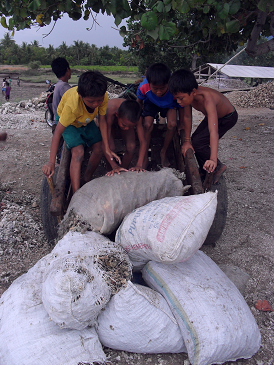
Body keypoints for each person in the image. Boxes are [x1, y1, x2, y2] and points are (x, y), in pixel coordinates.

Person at [42, 71, 112, 194]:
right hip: (69, 123)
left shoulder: (103, 96)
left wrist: (106, 147)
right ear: (80, 95)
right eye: (91, 102)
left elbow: (102, 120)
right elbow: (57, 133)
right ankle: (76, 193)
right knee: (78, 152)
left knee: (99, 148)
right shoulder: (72, 106)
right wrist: (51, 162)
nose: (96, 104)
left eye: (99, 100)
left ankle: (86, 178)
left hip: (86, 120)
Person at [168, 68, 238, 183]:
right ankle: (204, 168)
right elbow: (187, 117)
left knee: (199, 143)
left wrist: (213, 159)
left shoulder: (208, 100)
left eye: (181, 98)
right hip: (214, 115)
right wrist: (186, 141)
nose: (179, 102)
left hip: (228, 117)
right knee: (195, 140)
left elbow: (213, 131)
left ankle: (218, 166)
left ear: (194, 92)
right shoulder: (187, 97)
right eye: (177, 99)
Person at [136, 63, 179, 167]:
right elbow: (138, 104)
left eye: (163, 88)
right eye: (155, 88)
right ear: (149, 83)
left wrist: (181, 123)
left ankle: (163, 152)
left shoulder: (175, 87)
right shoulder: (143, 87)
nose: (159, 92)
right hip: (150, 102)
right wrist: (137, 121)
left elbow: (181, 105)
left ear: (168, 83)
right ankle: (145, 154)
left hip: (169, 103)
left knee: (172, 124)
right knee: (147, 125)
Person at [103, 98, 146, 176]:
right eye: (124, 125)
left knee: (131, 146)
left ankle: (123, 171)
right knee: (110, 147)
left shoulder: (136, 116)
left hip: (124, 119)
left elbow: (143, 141)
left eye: (131, 126)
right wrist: (114, 166)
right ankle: (111, 169)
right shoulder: (110, 111)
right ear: (117, 115)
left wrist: (139, 165)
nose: (126, 129)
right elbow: (105, 141)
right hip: (108, 123)